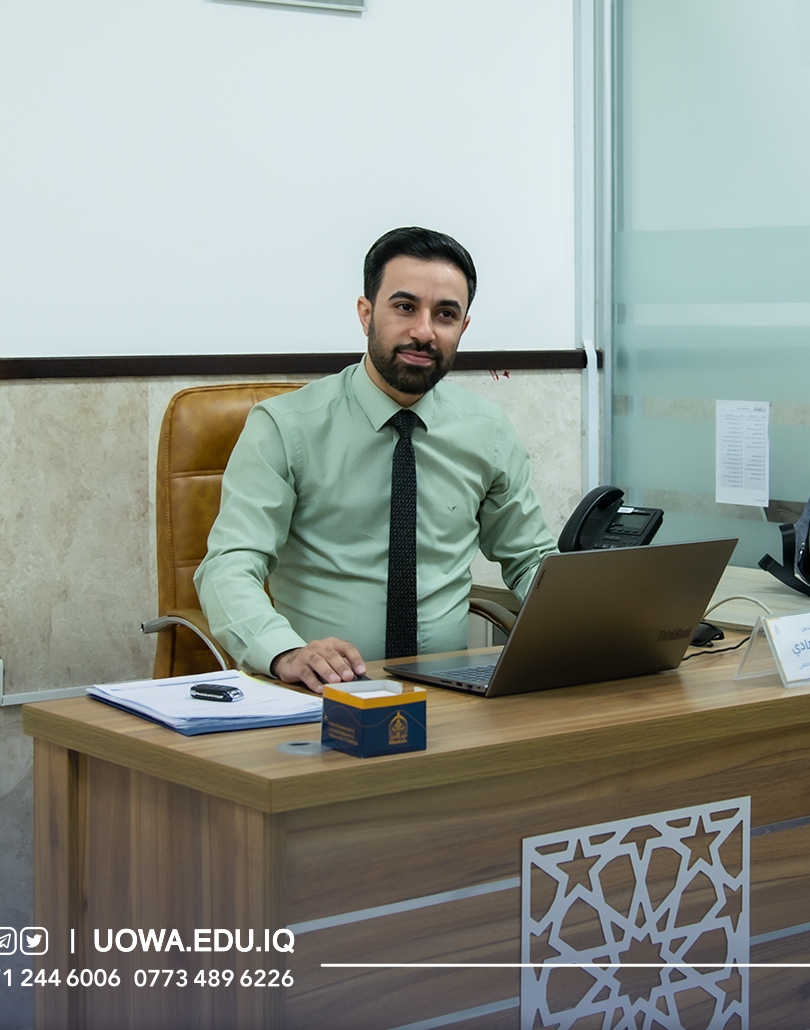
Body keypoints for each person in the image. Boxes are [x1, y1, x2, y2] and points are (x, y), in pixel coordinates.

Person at [195, 227, 558, 690]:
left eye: (445, 315)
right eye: (405, 307)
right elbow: (229, 565)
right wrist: (283, 651)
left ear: (463, 328)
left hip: (450, 693)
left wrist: (591, 624)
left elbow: (530, 559)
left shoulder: (488, 431)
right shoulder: (285, 427)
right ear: (366, 314)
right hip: (320, 692)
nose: (423, 331)